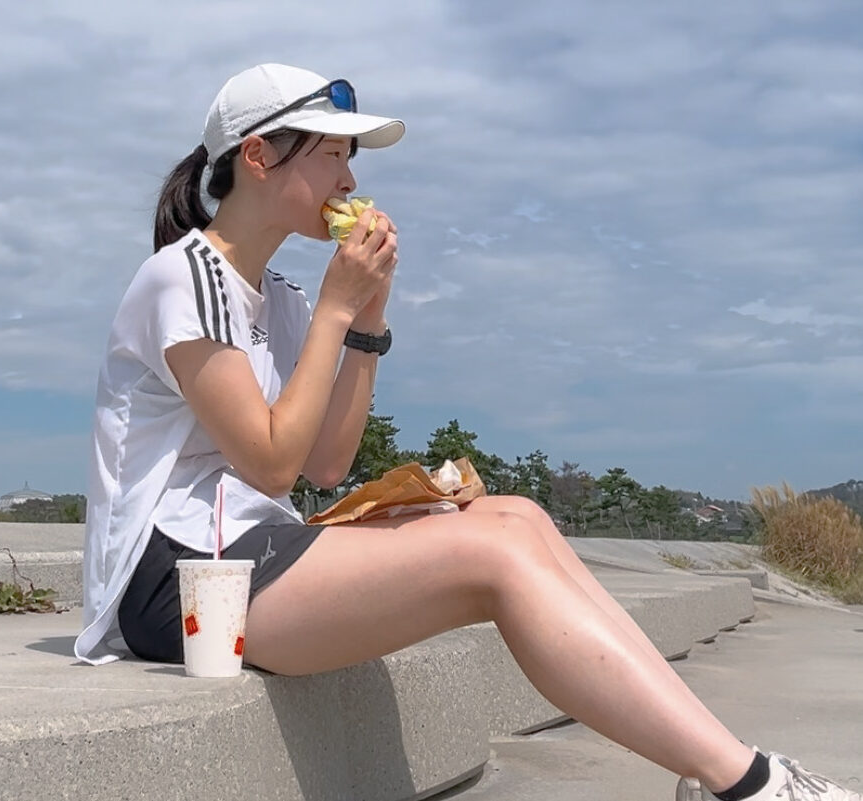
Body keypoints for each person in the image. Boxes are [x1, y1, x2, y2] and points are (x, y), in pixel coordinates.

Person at [75, 63, 860, 801]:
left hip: (249, 550)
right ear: (257, 156)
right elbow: (273, 463)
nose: (350, 181)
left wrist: (365, 326)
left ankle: (720, 765)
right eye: (333, 156)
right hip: (174, 581)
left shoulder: (274, 295)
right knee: (491, 552)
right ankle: (747, 783)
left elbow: (327, 461)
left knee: (514, 516)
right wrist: (338, 307)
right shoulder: (182, 276)